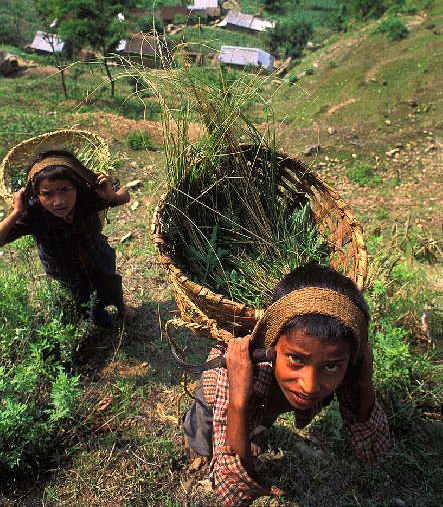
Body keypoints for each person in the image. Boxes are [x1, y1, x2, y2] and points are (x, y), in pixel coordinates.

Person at [182, 263, 390, 506]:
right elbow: (233, 493)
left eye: (331, 366)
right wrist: (238, 400)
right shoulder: (231, 374)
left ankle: (250, 431)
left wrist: (364, 381)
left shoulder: (346, 364)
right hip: (219, 396)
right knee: (203, 429)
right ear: (272, 346)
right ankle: (195, 441)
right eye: (295, 358)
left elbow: (373, 449)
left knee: (260, 422)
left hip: (262, 404)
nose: (310, 386)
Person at [0, 148, 135, 329]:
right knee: (84, 301)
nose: (58, 201)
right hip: (66, 271)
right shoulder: (33, 214)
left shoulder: (87, 197)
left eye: (65, 190)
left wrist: (112, 196)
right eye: (47, 194)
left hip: (97, 254)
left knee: (111, 283)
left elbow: (124, 196)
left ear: (76, 186)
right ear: (36, 195)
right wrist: (16, 213)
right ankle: (104, 325)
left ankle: (121, 306)